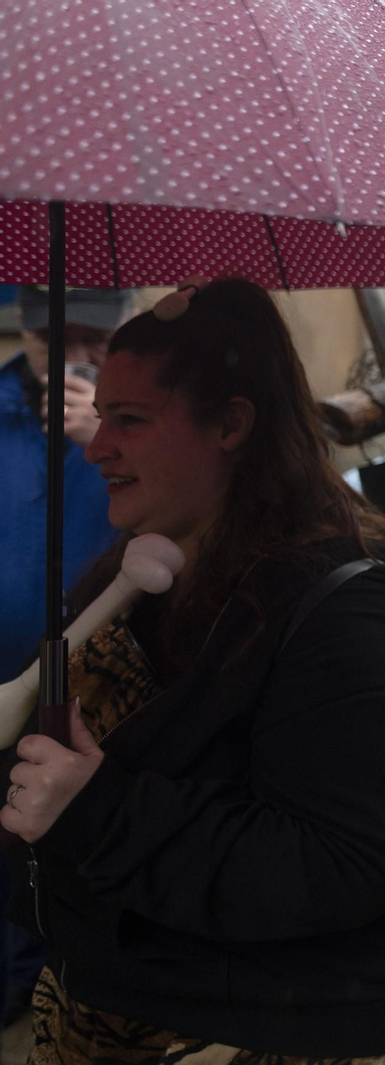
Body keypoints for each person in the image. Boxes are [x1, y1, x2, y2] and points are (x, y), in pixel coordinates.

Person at [1, 278, 385, 1060]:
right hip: (147, 1002)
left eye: (131, 420)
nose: (96, 447)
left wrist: (98, 809)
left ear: (231, 424)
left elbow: (343, 860)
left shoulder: (348, 613)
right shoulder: (137, 576)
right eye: (102, 415)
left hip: (329, 1029)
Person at [0, 284, 131, 1026]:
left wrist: (103, 436)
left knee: (64, 834)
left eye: (93, 342)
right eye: (56, 340)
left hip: (93, 669)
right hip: (2, 663)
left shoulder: (134, 420)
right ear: (26, 331)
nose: (74, 357)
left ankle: (53, 976)